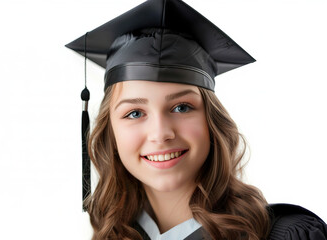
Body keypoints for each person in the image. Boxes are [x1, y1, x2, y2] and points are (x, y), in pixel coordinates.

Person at [66, 0, 327, 239]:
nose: (160, 133)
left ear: (211, 121)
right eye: (134, 113)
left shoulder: (283, 234)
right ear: (110, 133)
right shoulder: (109, 234)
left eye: (181, 107)